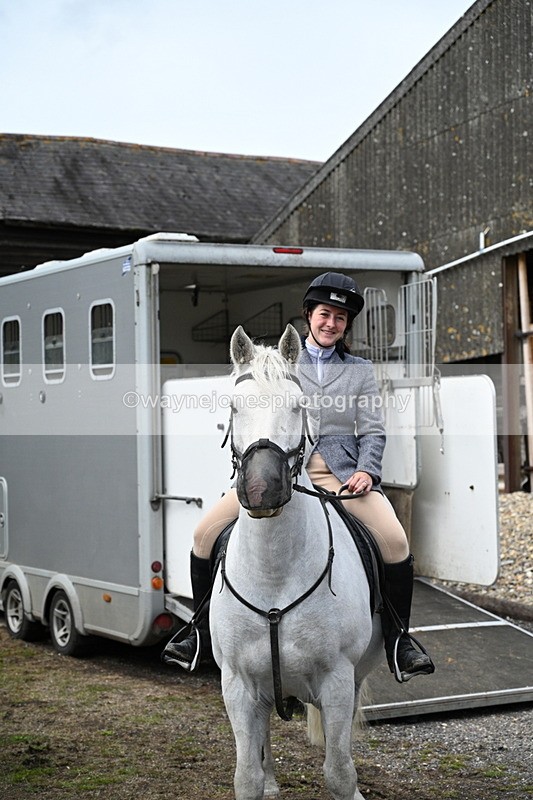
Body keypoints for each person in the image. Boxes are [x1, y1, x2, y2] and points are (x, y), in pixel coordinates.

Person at [164, 272, 434, 682]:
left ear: (346, 325)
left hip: (341, 478)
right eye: (325, 314)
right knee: (203, 535)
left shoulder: (359, 370)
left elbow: (373, 429)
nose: (331, 323)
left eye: (341, 318)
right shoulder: (280, 362)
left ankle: (400, 640)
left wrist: (366, 470)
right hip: (278, 474)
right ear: (309, 316)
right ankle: (198, 633)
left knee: (395, 541)